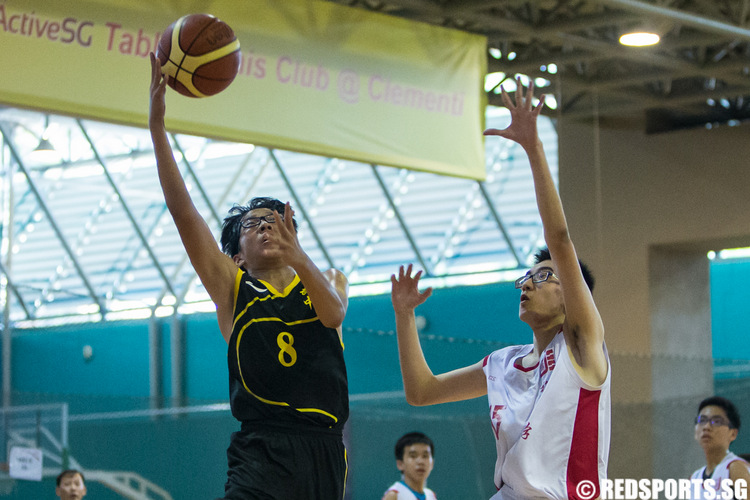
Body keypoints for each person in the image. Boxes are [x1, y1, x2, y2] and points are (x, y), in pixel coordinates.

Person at [390, 79, 610, 499]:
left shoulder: (582, 348)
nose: (528, 282)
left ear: (573, 295)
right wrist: (404, 316)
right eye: (526, 277)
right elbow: (422, 392)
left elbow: (560, 239)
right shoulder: (502, 364)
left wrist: (534, 149)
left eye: (545, 276)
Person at [149, 53, 350, 499]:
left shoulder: (329, 278)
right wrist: (158, 128)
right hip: (262, 448)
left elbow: (333, 315)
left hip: (324, 451)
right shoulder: (234, 288)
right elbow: (184, 213)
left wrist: (298, 257)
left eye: (273, 219)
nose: (264, 226)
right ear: (237, 256)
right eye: (252, 224)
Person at [690, 396, 750, 497]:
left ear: (733, 434)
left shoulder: (735, 468)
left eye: (716, 421)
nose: (706, 427)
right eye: (702, 420)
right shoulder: (694, 477)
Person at [382, 432, 437, 500]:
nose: (420, 462)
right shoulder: (395, 495)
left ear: (432, 463)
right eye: (413, 456)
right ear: (400, 464)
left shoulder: (431, 496)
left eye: (425, 456)